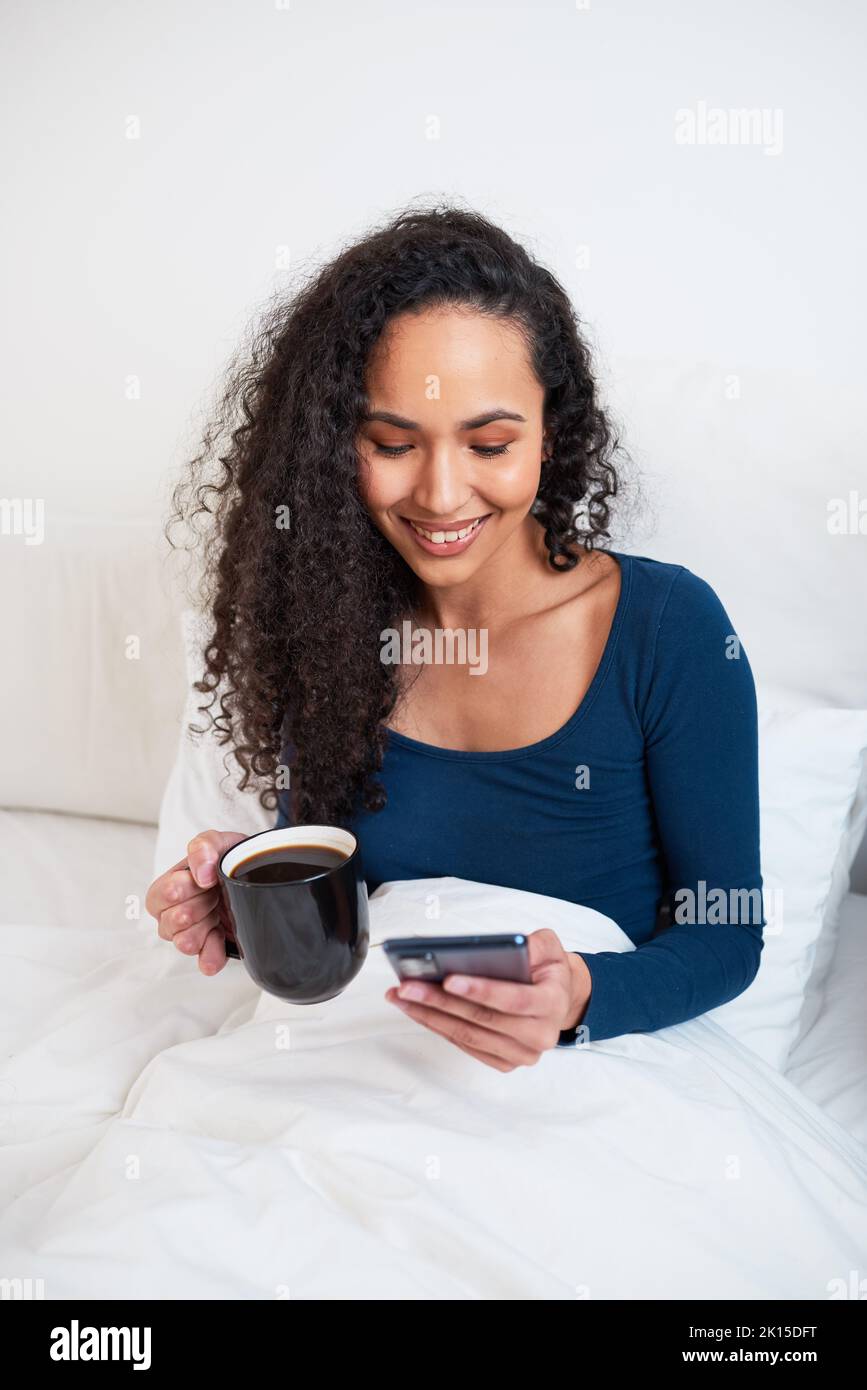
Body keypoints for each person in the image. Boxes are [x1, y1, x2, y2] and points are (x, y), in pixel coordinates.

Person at [145, 202, 764, 1071]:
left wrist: (579, 997)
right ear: (336, 449)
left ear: (551, 434)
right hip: (364, 1066)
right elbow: (348, 923)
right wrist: (250, 908)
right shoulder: (326, 628)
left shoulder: (668, 631)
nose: (440, 494)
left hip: (590, 1074)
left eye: (489, 443)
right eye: (393, 442)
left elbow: (726, 937)